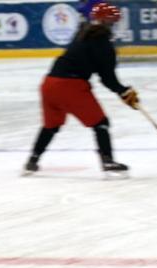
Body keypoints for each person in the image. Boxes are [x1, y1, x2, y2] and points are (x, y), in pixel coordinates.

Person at [24, 2, 138, 175]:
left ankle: (33, 160)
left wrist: (122, 91)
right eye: (113, 22)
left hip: (49, 83)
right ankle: (107, 161)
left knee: (51, 126)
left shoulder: (81, 33)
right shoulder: (104, 45)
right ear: (107, 22)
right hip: (70, 86)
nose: (114, 25)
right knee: (101, 124)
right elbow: (107, 77)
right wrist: (123, 91)